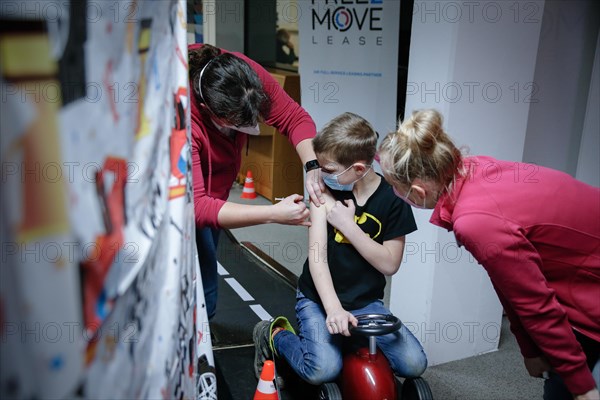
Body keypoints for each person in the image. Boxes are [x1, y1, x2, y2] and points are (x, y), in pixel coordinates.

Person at [377, 108, 600, 400]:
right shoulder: (471, 169)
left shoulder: (475, 221)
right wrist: (529, 349)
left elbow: (537, 306)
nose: (394, 193)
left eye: (394, 187)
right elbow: (509, 281)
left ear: (417, 192)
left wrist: (583, 389)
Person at [253, 112, 428, 385]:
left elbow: (389, 264)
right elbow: (317, 259)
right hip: (318, 299)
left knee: (414, 364)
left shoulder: (394, 200)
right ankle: (274, 335)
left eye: (330, 170)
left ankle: (343, 338)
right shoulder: (322, 191)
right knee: (322, 370)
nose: (321, 176)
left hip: (366, 302)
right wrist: (333, 308)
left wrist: (349, 227)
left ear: (358, 169)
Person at [189, 43, 325, 319]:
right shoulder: (181, 119)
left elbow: (293, 117)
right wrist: (273, 214)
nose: (251, 127)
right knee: (197, 288)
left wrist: (312, 166)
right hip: (171, 196)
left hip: (215, 189)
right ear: (207, 110)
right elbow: (198, 207)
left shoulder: (242, 76)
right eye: (239, 121)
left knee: (207, 283)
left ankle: (204, 320)